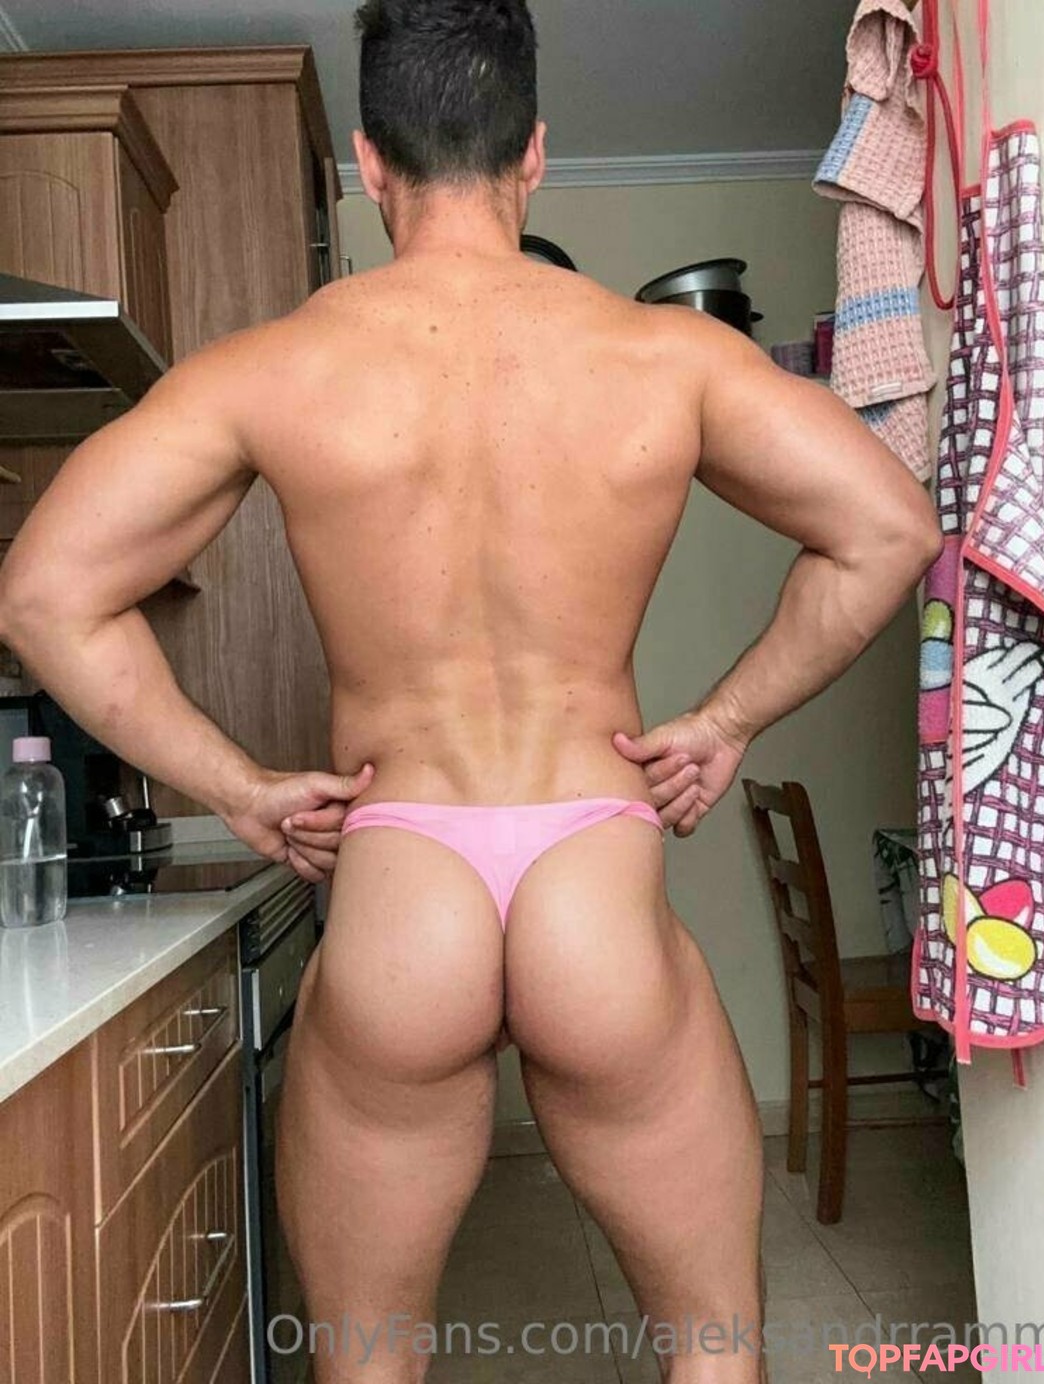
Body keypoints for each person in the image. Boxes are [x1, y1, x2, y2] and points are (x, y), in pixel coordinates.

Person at [0, 1, 942, 1378]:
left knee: (370, 1362)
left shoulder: (274, 369)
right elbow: (891, 531)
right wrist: (724, 720)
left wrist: (237, 788)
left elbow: (43, 593)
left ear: (371, 164)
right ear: (536, 152)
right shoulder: (666, 356)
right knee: (713, 1351)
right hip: (594, 875)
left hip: (403, 893)